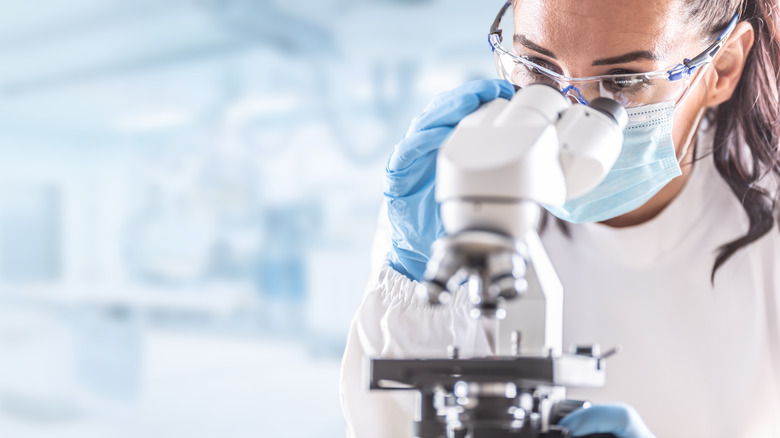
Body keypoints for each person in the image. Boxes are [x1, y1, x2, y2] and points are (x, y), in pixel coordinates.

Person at [340, 0, 780, 436]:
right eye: (538, 71)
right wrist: (412, 283)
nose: (571, 113)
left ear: (721, 67)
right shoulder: (450, 200)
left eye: (623, 80)